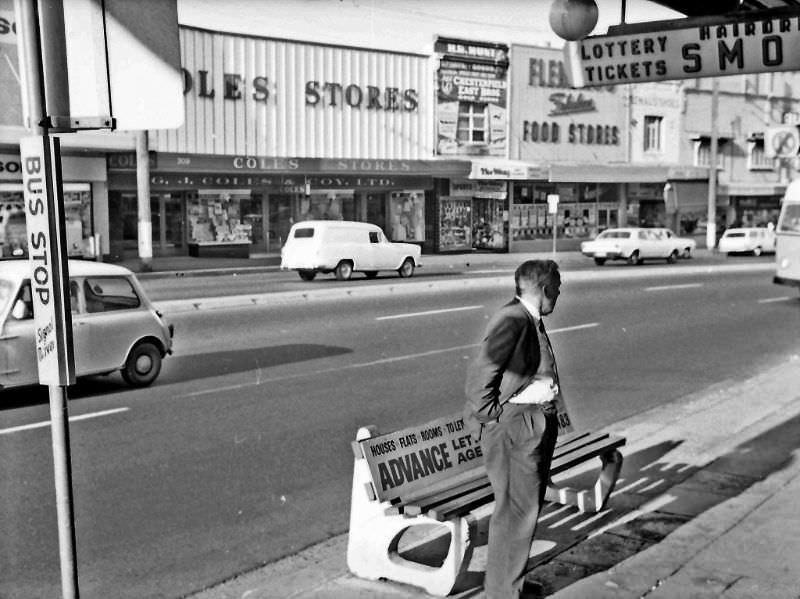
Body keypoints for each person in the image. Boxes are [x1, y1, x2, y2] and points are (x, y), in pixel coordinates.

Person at [464, 259, 562, 599]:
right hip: (517, 426)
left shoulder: (527, 318)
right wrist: (497, 419)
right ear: (545, 289)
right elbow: (480, 380)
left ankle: (509, 586)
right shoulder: (512, 320)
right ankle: (503, 594)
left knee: (523, 511)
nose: (560, 294)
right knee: (515, 514)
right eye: (558, 288)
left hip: (531, 422)